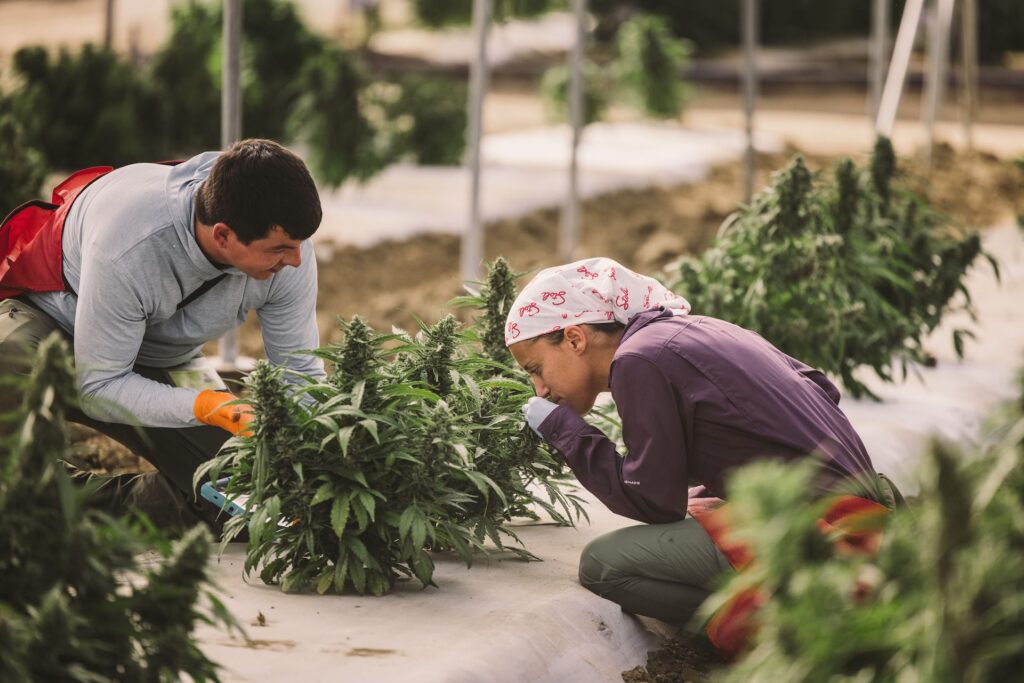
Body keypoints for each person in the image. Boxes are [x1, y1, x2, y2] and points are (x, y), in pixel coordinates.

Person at [505, 257, 897, 632]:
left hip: (824, 533)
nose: (540, 389)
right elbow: (820, 389)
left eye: (536, 370)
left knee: (603, 565)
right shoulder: (703, 329)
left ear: (573, 338)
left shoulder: (638, 360)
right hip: (868, 514)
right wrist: (718, 487)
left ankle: (778, 629)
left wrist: (565, 431)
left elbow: (653, 501)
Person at [0, 138, 325, 529]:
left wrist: (322, 462)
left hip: (162, 356)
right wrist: (207, 406)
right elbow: (100, 387)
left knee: (244, 501)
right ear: (222, 235)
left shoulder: (289, 258)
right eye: (280, 249)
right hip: (55, 325)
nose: (296, 260)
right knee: (8, 360)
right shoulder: (131, 245)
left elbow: (300, 377)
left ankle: (65, 505)